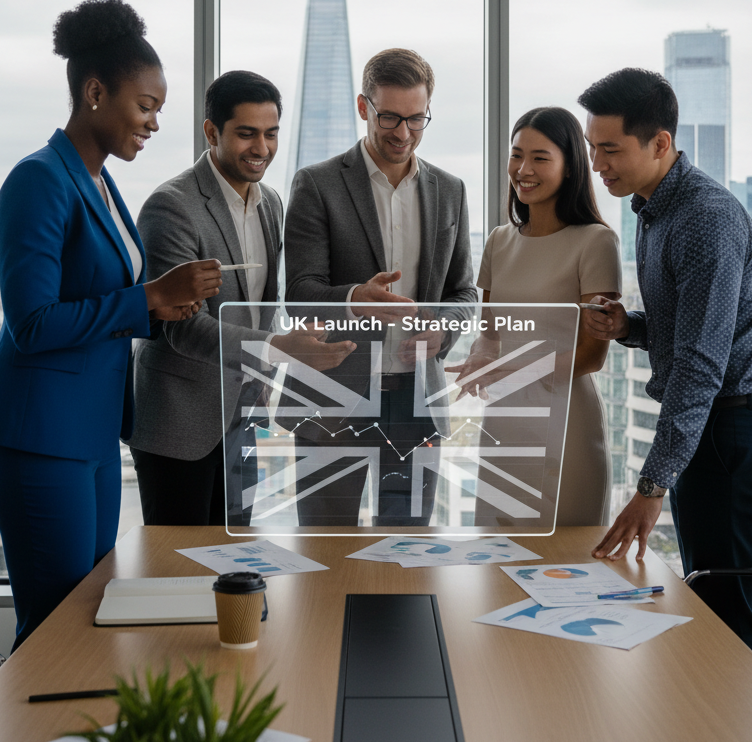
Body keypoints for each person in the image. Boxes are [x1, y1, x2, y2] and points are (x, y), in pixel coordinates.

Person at [0, 0, 221, 649]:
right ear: (96, 92)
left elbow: (111, 300)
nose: (155, 123)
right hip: (38, 432)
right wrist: (148, 299)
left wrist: (164, 305)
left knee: (91, 612)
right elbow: (31, 323)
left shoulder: (100, 183)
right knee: (54, 628)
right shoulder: (38, 180)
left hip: (93, 430)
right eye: (146, 106)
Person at [578, 67, 752, 653]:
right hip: (715, 425)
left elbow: (700, 364)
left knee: (726, 620)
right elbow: (688, 330)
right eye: (592, 147)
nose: (597, 164)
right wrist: (629, 327)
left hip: (734, 427)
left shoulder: (703, 219)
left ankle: (738, 712)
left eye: (610, 149)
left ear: (660, 143)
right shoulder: (653, 209)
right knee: (708, 600)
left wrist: (652, 486)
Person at [129, 71, 355, 526]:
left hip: (244, 416)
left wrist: (290, 342)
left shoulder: (271, 202)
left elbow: (261, 305)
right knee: (178, 559)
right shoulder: (172, 206)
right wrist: (277, 349)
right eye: (247, 134)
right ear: (212, 132)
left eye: (271, 134)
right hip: (179, 421)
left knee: (233, 553)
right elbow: (180, 328)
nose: (262, 148)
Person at [285, 47, 477, 525]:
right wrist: (354, 300)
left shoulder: (450, 190)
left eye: (416, 119)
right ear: (362, 106)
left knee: (406, 551)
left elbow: (464, 292)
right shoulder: (316, 184)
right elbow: (299, 295)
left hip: (416, 401)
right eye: (389, 117)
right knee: (324, 548)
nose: (403, 133)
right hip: (332, 398)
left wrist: (443, 331)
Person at [446, 107, 621, 525]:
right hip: (505, 423)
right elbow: (491, 333)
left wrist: (513, 369)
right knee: (496, 551)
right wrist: (481, 356)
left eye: (540, 158)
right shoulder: (498, 241)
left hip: (566, 424)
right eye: (516, 155)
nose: (523, 169)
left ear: (569, 166)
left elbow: (592, 356)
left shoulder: (596, 242)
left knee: (565, 553)